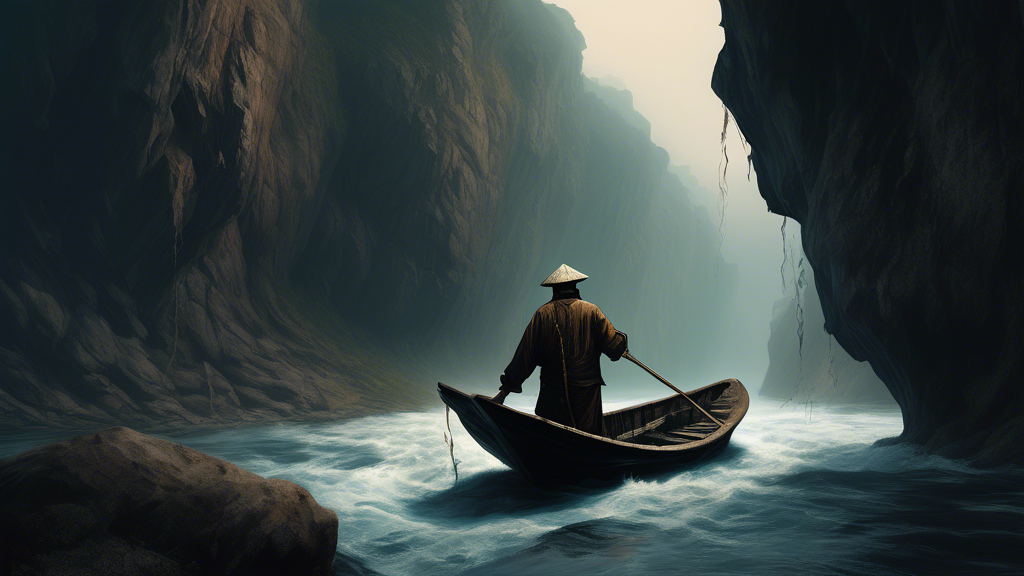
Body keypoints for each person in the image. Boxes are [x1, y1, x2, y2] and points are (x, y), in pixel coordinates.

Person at [492, 264, 627, 436]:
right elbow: (614, 348)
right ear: (574, 286)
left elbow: (525, 356)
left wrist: (504, 392)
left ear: (555, 288)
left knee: (553, 434)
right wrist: (621, 341)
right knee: (588, 435)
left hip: (553, 394)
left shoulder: (542, 314)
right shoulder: (592, 311)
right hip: (585, 397)